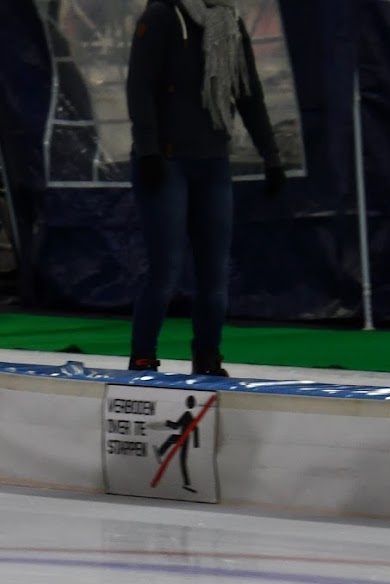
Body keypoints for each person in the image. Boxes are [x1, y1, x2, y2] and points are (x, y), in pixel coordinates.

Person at [124, 0, 284, 376]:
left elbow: (248, 93)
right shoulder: (163, 15)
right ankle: (143, 355)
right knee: (165, 269)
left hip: (212, 162)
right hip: (166, 161)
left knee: (214, 273)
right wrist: (148, 150)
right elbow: (139, 86)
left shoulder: (230, 24)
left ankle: (208, 356)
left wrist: (271, 155)